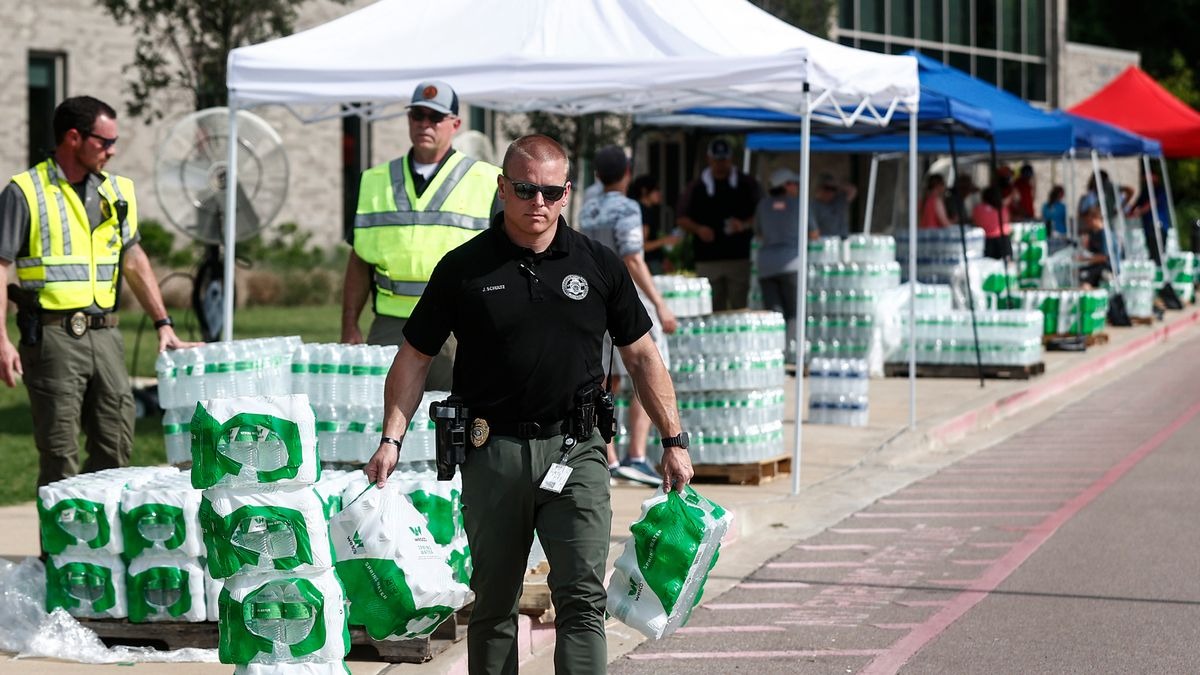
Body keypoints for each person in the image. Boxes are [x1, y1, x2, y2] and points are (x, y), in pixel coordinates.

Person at [364, 135, 693, 675]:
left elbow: (642, 356)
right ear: (502, 188)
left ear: (566, 194)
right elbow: (414, 358)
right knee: (494, 604)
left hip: (579, 449)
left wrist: (673, 441)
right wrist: (390, 439)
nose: (536, 202)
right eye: (523, 189)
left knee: (583, 600)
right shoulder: (464, 268)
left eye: (548, 191)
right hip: (492, 450)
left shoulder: (599, 264)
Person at [0, 95, 190, 488]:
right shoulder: (25, 191)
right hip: (52, 338)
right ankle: (60, 551)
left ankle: (101, 547)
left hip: (106, 335)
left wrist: (163, 323)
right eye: (104, 142)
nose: (113, 150)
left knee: (115, 445)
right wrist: (2, 339)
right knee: (60, 456)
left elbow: (134, 259)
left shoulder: (116, 192)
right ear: (73, 138)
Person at [342, 80, 502, 390]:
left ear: (455, 124)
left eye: (435, 117)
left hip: (459, 326)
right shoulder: (374, 181)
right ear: (408, 120)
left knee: (455, 420)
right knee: (385, 417)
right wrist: (350, 324)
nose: (425, 124)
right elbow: (359, 259)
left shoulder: (486, 179)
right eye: (418, 115)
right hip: (391, 327)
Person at [579, 146, 679, 487]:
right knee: (648, 367)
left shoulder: (587, 208)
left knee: (603, 378)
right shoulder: (628, 207)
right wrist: (660, 302)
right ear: (627, 174)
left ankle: (607, 457)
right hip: (626, 299)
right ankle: (636, 454)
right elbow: (633, 258)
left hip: (593, 298)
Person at [676, 138, 760, 311]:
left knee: (740, 308)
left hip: (738, 258)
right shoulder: (697, 186)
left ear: (731, 160)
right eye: (717, 160)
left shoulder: (746, 184)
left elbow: (762, 213)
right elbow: (681, 217)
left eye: (724, 160)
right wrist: (699, 229)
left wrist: (743, 224)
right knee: (711, 310)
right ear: (709, 159)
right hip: (707, 260)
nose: (720, 164)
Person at [754, 168, 810, 365]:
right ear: (785, 186)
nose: (796, 187)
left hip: (767, 265)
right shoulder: (799, 204)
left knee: (775, 314)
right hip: (792, 264)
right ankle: (790, 354)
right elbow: (814, 233)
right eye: (794, 184)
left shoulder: (763, 205)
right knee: (794, 312)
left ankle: (776, 355)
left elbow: (759, 233)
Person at [627, 174, 678, 274]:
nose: (660, 193)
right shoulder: (642, 211)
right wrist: (665, 241)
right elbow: (642, 245)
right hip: (647, 264)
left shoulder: (646, 210)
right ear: (644, 191)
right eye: (656, 189)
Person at [1131, 172, 1171, 265]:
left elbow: (1151, 204)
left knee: (1159, 251)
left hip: (1160, 225)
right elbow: (1137, 203)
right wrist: (1129, 213)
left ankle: (1160, 271)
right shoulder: (1146, 191)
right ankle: (1154, 270)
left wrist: (1139, 212)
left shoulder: (1160, 190)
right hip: (1148, 226)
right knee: (1152, 251)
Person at [810, 171, 858, 239]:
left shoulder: (839, 200)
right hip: (826, 243)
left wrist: (837, 185)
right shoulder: (813, 205)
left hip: (843, 240)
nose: (830, 192)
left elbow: (853, 190)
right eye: (827, 188)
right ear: (819, 188)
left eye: (833, 189)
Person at [973, 185, 1012, 260]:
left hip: (986, 241)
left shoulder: (978, 209)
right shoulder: (1002, 209)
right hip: (1003, 239)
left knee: (989, 267)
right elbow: (1006, 220)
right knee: (1006, 266)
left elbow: (976, 222)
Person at [1078, 206, 1112, 288]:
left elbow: (1104, 257)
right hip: (1096, 266)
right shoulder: (1093, 233)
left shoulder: (1104, 234)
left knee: (1085, 282)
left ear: (1095, 219)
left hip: (1105, 268)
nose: (1087, 223)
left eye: (1088, 221)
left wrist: (1084, 259)